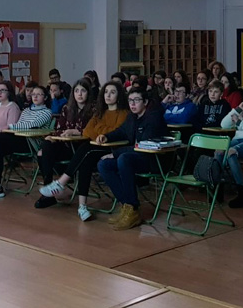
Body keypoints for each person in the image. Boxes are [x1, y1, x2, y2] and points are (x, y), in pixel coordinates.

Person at [37, 82, 129, 221]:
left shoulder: (123, 113)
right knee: (85, 160)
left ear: (119, 95)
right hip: (95, 146)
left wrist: (100, 131)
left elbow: (115, 132)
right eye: (106, 92)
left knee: (85, 149)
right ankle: (82, 207)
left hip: (112, 148)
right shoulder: (100, 112)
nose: (108, 95)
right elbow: (88, 131)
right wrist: (100, 131)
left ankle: (61, 183)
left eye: (112, 92)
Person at [95, 89, 168, 231]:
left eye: (136, 100)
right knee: (104, 164)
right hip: (136, 158)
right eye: (130, 100)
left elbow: (144, 146)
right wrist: (106, 136)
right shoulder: (131, 117)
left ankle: (133, 206)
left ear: (145, 102)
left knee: (123, 159)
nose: (132, 104)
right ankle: (127, 206)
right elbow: (122, 131)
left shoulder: (154, 117)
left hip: (154, 160)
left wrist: (115, 154)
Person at [0, 84, 53, 199]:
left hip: (32, 144)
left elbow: (31, 125)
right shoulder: (27, 110)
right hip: (20, 139)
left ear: (45, 98)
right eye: (33, 94)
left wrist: (11, 127)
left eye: (39, 94)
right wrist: (14, 127)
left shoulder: (47, 112)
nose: (35, 97)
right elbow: (20, 125)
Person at [34, 78, 95, 209]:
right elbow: (59, 128)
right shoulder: (67, 108)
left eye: (83, 91)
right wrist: (52, 137)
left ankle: (59, 184)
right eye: (77, 91)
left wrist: (76, 131)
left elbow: (93, 131)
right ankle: (48, 188)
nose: (79, 94)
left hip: (83, 148)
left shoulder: (94, 109)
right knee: (45, 147)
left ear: (88, 93)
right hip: (67, 146)